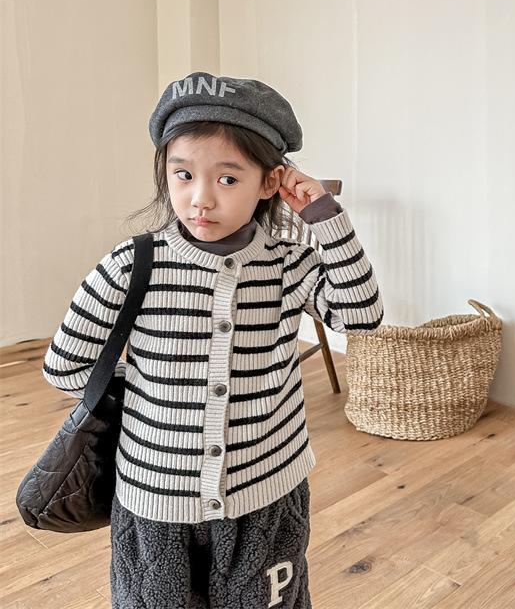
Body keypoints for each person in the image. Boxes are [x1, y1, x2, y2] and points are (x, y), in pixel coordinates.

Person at [41, 73, 384, 608]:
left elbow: (362, 317)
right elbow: (64, 366)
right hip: (155, 505)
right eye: (183, 174)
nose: (200, 199)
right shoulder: (132, 264)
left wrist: (325, 219)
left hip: (266, 497)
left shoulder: (288, 264)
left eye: (227, 178)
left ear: (270, 183)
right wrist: (151, 387)